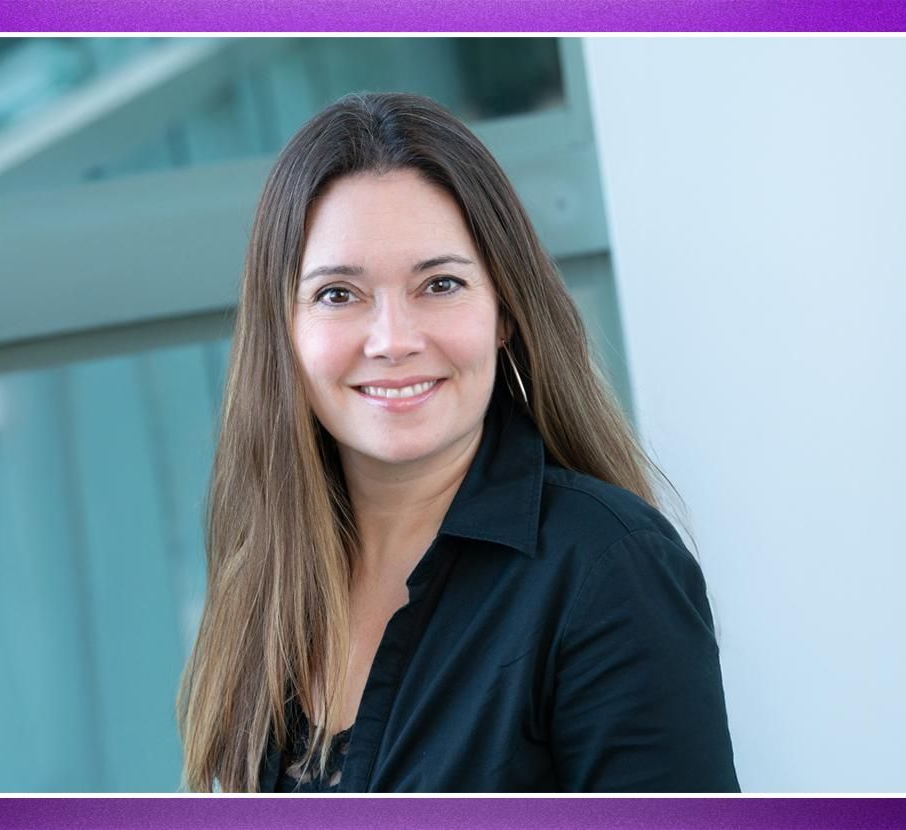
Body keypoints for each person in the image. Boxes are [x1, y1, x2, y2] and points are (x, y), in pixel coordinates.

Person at [176, 92, 737, 793]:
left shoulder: (608, 568)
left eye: (439, 284)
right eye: (338, 294)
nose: (392, 341)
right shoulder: (267, 577)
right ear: (281, 332)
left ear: (504, 312)